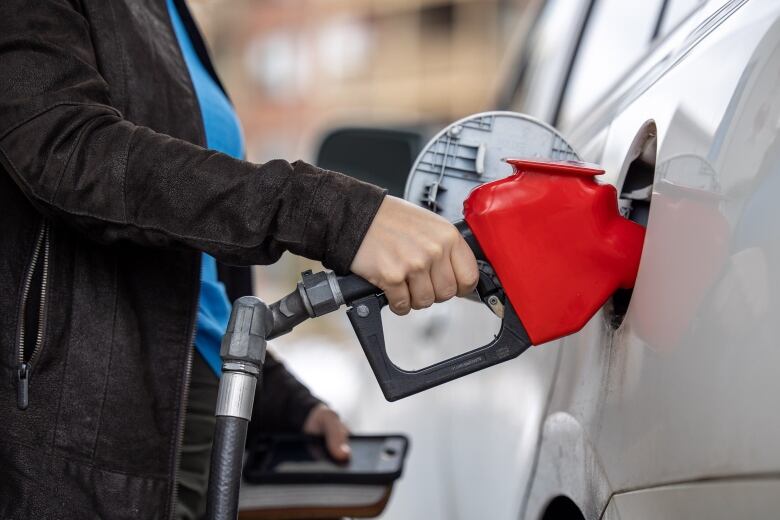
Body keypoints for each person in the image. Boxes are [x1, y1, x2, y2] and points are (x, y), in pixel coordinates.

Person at [0, 1, 479, 519]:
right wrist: (333, 214)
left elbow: (188, 269)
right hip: (85, 426)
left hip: (198, 406)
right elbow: (67, 152)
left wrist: (280, 399)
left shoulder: (168, 14)